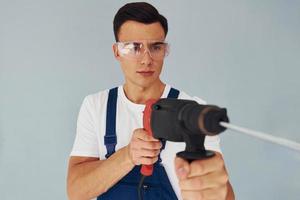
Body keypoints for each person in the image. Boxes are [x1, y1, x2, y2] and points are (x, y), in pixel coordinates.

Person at [67, 2, 235, 200]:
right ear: (116, 52)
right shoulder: (96, 106)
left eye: (156, 47)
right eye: (134, 47)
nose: (146, 59)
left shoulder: (193, 112)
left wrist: (215, 189)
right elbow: (76, 191)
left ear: (165, 50)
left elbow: (223, 194)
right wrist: (128, 155)